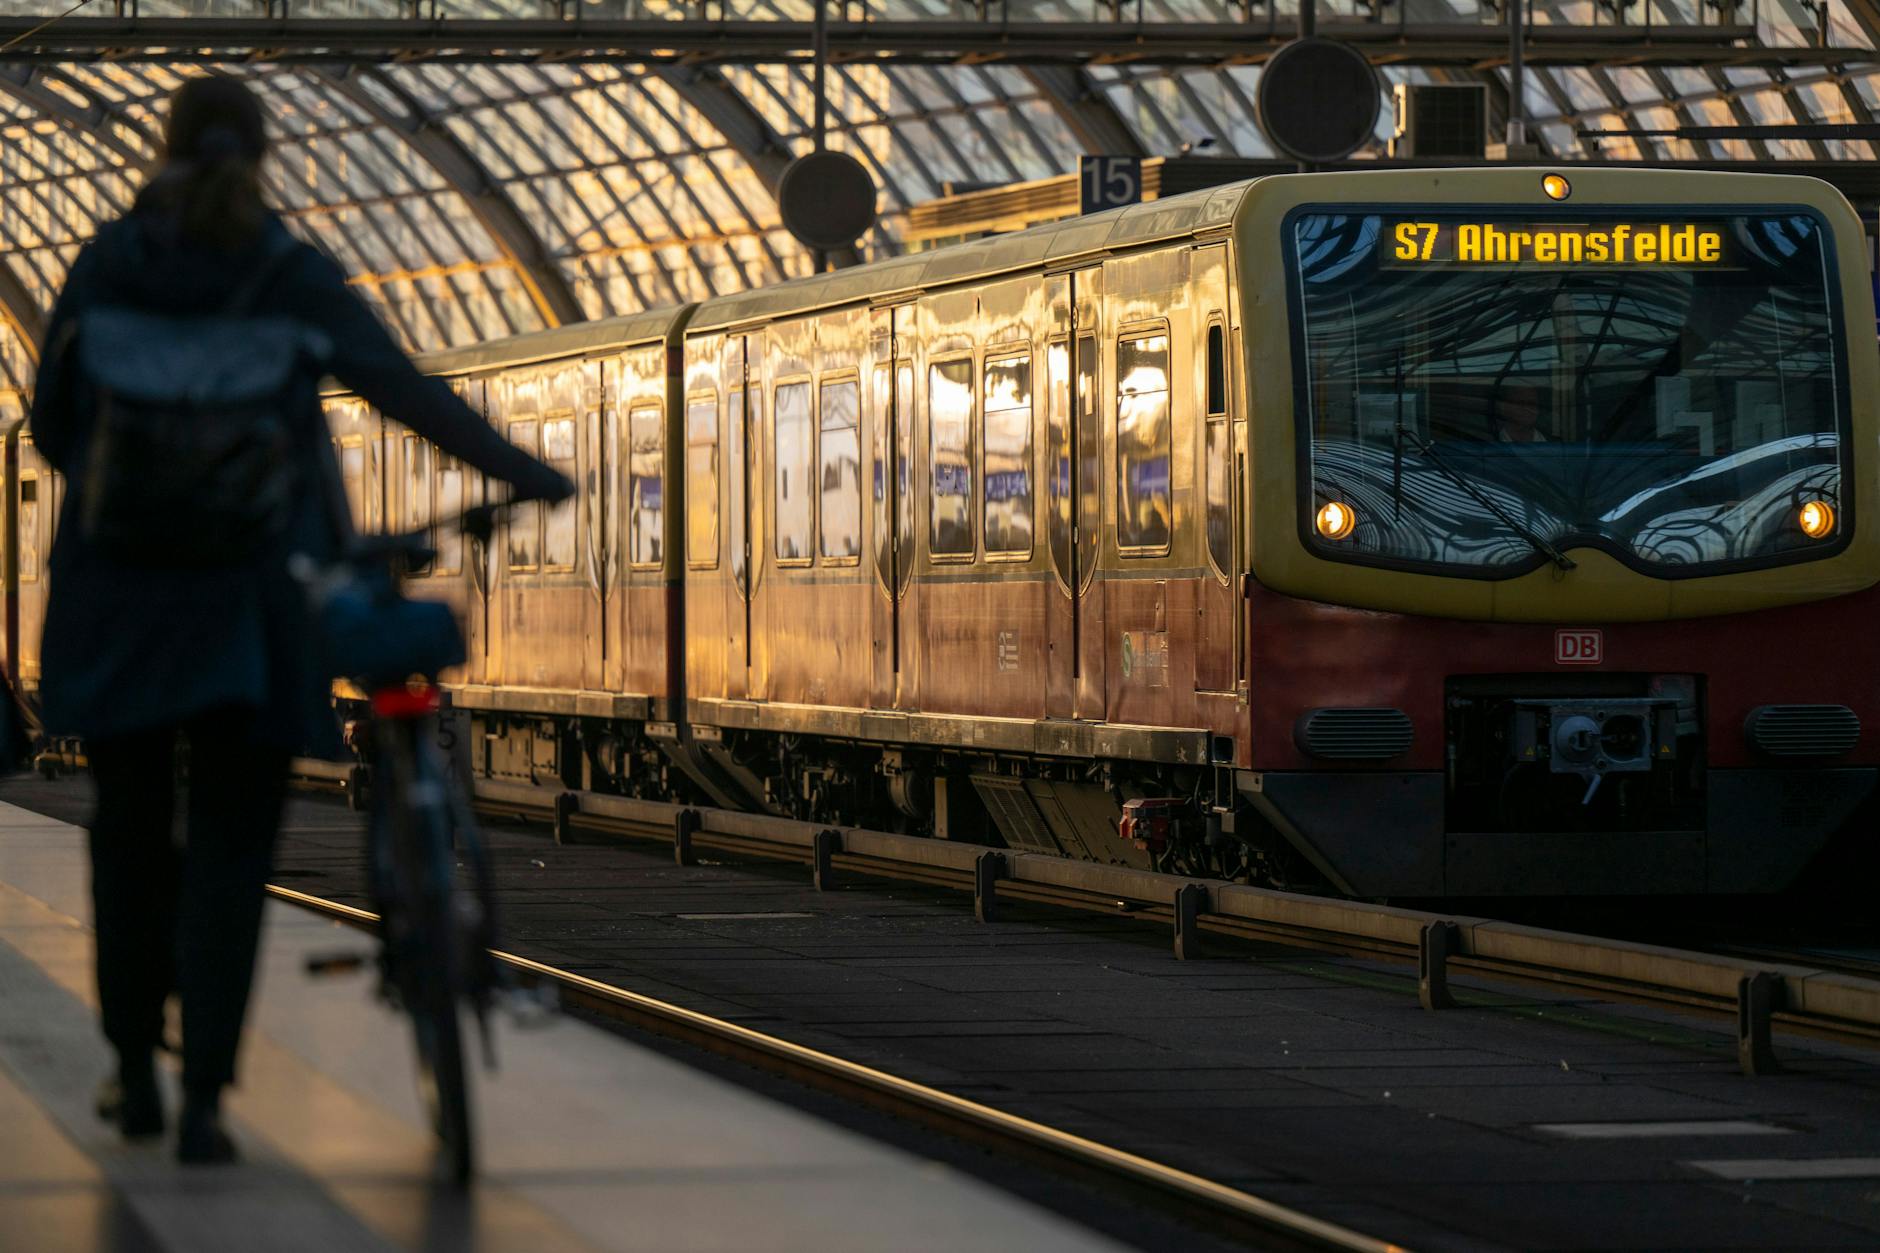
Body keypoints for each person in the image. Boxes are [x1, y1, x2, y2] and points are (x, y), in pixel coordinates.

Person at [27, 75, 572, 1164]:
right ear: (261, 154)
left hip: (120, 600)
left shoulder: (106, 262)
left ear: (162, 151)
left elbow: (49, 426)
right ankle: (205, 1104)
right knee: (231, 851)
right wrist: (523, 470)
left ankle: (133, 1069)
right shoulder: (284, 267)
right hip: (252, 605)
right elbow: (396, 386)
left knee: (130, 843)